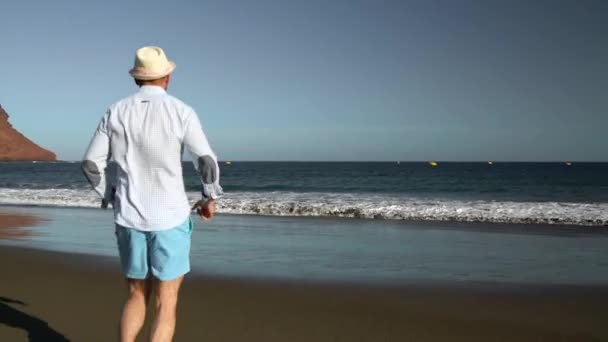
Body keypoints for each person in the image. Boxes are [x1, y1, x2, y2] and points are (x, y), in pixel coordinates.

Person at [82, 46, 222, 342]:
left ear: (137, 77)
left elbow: (91, 164)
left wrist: (108, 194)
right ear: (167, 77)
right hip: (170, 217)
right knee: (166, 300)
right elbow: (206, 161)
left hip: (129, 216)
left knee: (135, 294)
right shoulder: (181, 111)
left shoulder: (116, 110)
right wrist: (209, 198)